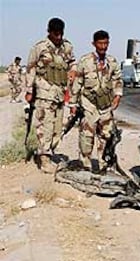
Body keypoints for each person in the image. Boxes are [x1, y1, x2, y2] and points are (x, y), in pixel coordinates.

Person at [26, 17, 76, 173]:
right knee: (45, 126)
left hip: (60, 94)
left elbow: (72, 62)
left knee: (57, 128)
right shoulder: (40, 48)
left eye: (61, 33)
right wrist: (29, 90)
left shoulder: (67, 46)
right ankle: (44, 159)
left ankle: (48, 150)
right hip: (44, 92)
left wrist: (73, 70)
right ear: (49, 32)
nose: (58, 37)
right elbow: (31, 68)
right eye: (55, 34)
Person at [70, 30, 123, 173]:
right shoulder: (85, 61)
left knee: (106, 137)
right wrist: (73, 104)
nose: (103, 46)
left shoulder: (112, 62)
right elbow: (77, 83)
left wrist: (118, 96)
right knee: (86, 137)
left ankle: (104, 166)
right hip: (89, 105)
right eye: (100, 43)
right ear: (94, 44)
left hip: (106, 106)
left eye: (106, 43)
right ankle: (85, 166)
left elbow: (117, 80)